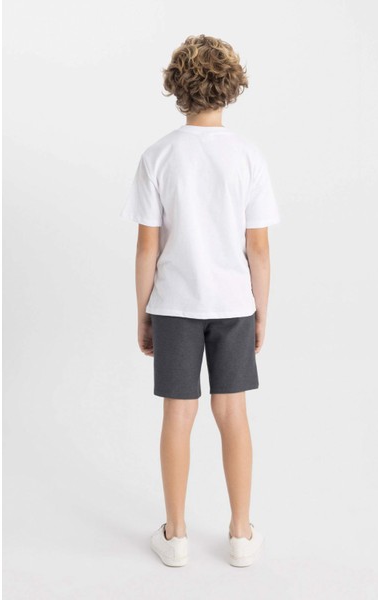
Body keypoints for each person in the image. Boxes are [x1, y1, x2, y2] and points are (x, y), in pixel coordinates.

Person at [120, 34, 280, 567]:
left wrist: (144, 312)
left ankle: (177, 535)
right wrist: (261, 311)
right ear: (232, 87)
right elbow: (258, 248)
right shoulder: (248, 156)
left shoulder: (158, 156)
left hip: (174, 306)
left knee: (178, 415)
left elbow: (147, 247)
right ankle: (240, 535)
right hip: (233, 305)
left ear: (176, 87)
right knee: (233, 413)